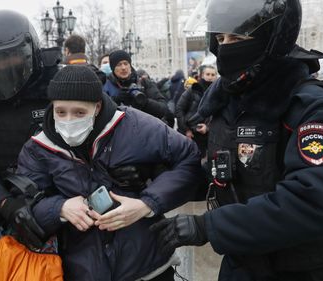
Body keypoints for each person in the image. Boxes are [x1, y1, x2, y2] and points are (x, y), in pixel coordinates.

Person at [151, 0, 323, 280]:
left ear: (272, 39)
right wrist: (152, 185)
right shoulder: (230, 100)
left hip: (306, 269)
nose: (225, 47)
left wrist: (210, 226)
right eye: (220, 39)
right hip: (244, 263)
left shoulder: (310, 106)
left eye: (237, 37)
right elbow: (226, 171)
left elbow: (318, 203)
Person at [16, 65, 202, 281]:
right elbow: (24, 204)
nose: (68, 121)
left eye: (79, 112)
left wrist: (147, 204)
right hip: (82, 269)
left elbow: (189, 158)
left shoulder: (134, 125)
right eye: (61, 112)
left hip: (147, 265)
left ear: (97, 107)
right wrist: (60, 208)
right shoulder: (37, 148)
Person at [0, 10, 60, 249]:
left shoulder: (62, 88)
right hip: (16, 218)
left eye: (9, 56)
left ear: (30, 51)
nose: (3, 66)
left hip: (72, 205)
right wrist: (4, 205)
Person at [103, 50, 169, 122]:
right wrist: (116, 100)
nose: (123, 68)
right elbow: (101, 115)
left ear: (130, 65)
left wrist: (145, 102)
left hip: (146, 128)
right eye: (119, 64)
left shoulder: (144, 82)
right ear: (113, 68)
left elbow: (163, 109)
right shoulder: (106, 85)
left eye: (126, 63)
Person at [175, 65, 218, 158]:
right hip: (191, 134)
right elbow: (179, 109)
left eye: (213, 74)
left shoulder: (218, 93)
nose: (210, 77)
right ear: (202, 75)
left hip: (209, 136)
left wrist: (207, 127)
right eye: (208, 74)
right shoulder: (192, 90)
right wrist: (186, 130)